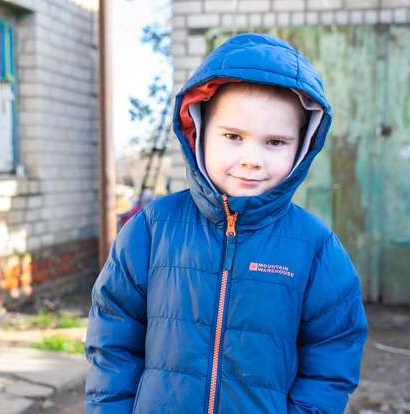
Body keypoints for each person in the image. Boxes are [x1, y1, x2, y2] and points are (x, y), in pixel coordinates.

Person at [85, 33, 368, 413]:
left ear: (302, 146)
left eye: (275, 142)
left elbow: (333, 354)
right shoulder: (152, 229)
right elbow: (113, 339)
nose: (252, 158)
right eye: (234, 136)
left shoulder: (316, 248)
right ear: (199, 133)